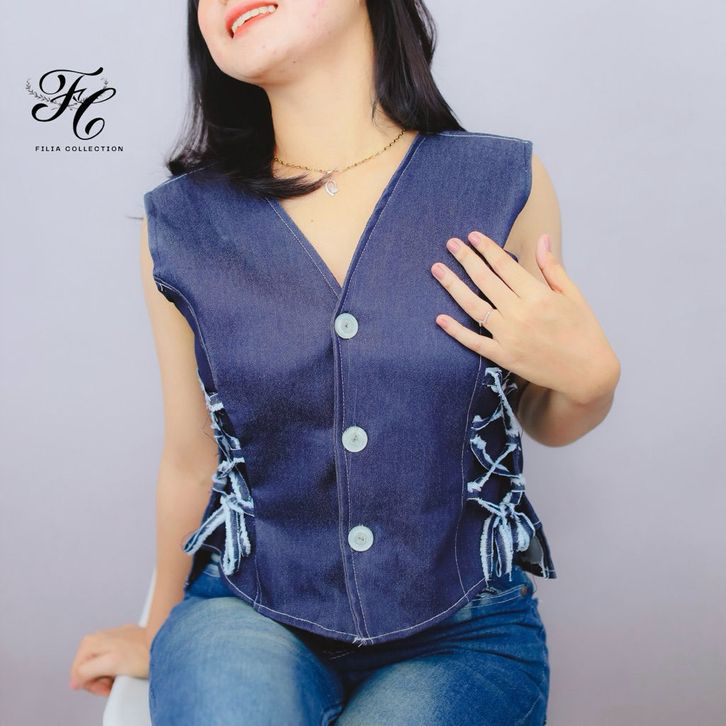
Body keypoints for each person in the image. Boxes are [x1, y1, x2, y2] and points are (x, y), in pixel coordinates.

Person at [69, 1, 621, 723]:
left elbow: (537, 412)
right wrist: (159, 627)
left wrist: (592, 381)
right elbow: (189, 457)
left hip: (463, 631)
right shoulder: (179, 227)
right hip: (245, 610)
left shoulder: (501, 184)